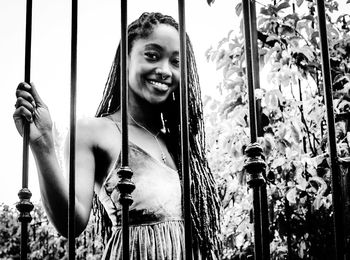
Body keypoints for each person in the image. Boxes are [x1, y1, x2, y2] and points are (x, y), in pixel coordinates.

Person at [13, 12, 221, 259]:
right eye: (152, 56)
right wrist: (43, 145)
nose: (165, 70)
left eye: (176, 62)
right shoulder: (94, 131)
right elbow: (71, 223)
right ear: (126, 59)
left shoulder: (179, 144)